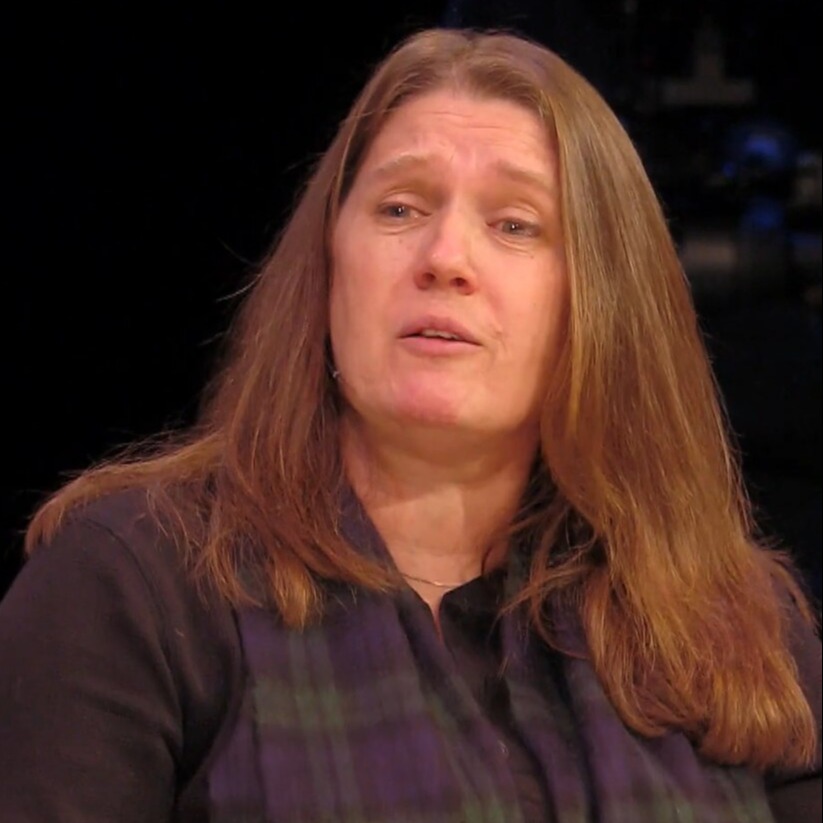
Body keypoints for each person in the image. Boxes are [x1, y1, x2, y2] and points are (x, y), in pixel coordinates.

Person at [0, 26, 819, 823]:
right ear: (328, 266)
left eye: (514, 224)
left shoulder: (732, 620)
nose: (444, 257)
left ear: (599, 302)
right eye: (399, 208)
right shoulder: (132, 585)